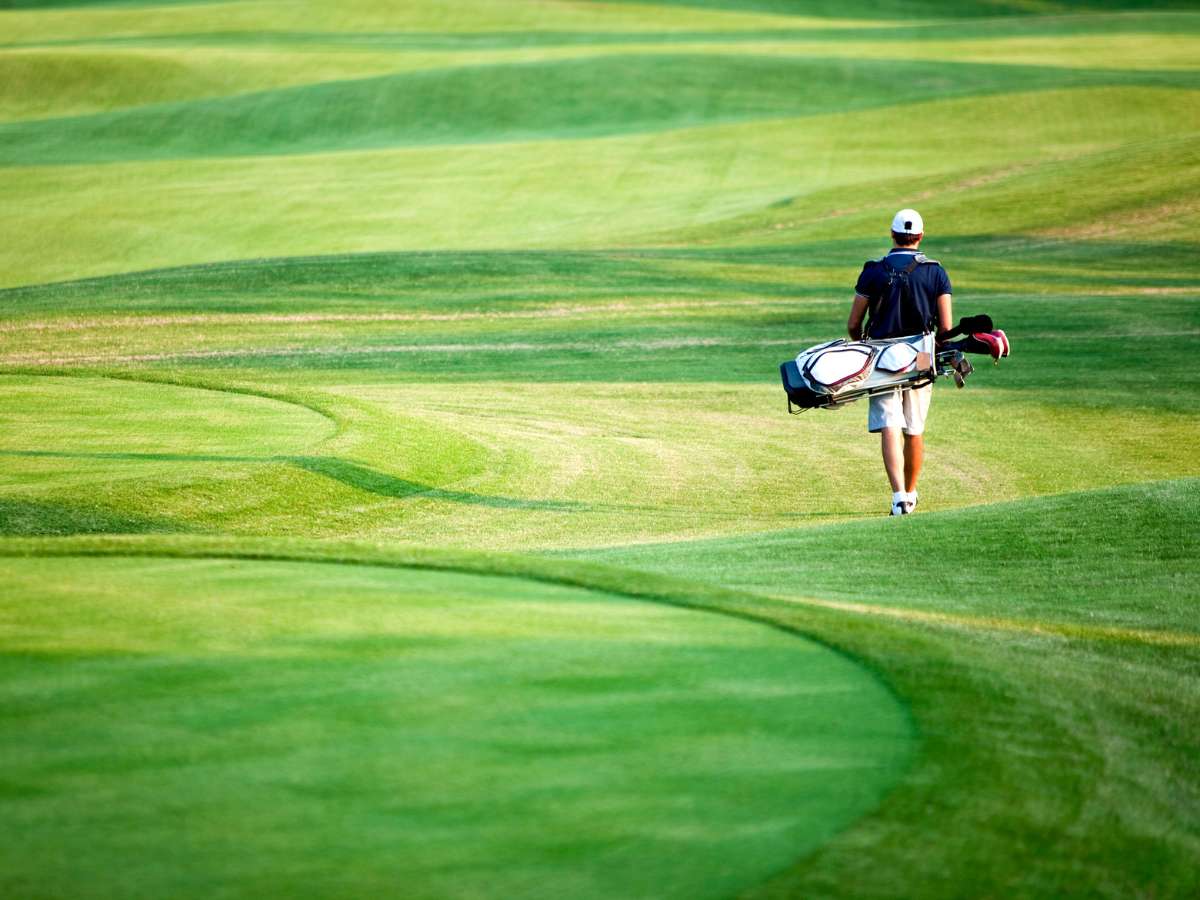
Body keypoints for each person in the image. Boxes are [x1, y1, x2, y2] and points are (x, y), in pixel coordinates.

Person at [846, 209, 952, 516]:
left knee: (889, 423)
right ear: (920, 236)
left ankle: (898, 497)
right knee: (914, 427)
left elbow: (854, 324)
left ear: (892, 235)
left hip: (880, 354)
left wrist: (860, 346)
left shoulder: (873, 271)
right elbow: (945, 328)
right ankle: (913, 491)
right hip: (920, 353)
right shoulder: (936, 272)